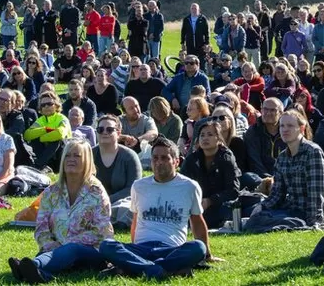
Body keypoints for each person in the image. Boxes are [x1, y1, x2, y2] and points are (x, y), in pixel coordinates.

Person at [98, 137, 216, 279]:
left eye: (164, 158)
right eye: (155, 158)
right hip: (141, 248)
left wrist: (207, 253)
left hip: (171, 249)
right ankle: (163, 269)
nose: (159, 162)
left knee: (198, 248)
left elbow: (197, 220)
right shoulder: (139, 186)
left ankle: (132, 268)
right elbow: (136, 219)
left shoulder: (189, 187)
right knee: (106, 245)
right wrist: (135, 248)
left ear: (176, 161)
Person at [8, 139, 114, 283]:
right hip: (55, 250)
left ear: (87, 161)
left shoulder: (96, 192)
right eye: (68, 156)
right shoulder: (51, 192)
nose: (71, 159)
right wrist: (50, 245)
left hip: (92, 251)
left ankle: (33, 265)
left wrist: (66, 244)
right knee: (59, 252)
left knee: (72, 249)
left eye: (77, 156)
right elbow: (41, 227)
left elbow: (100, 232)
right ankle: (38, 273)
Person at [250, 109, 324, 227]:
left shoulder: (313, 152)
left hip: (306, 213)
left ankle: (296, 224)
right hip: (289, 209)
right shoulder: (282, 157)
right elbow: (277, 194)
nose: (285, 129)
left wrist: (314, 223)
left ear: (302, 129)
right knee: (252, 211)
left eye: (290, 126)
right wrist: (262, 206)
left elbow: (316, 195)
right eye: (282, 126)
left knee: (256, 221)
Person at [180, 120, 241, 228]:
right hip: (196, 203)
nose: (205, 138)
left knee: (220, 214)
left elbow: (233, 190)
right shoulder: (192, 159)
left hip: (220, 204)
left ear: (218, 138)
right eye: (202, 135)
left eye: (210, 134)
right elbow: (181, 184)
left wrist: (210, 201)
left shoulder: (226, 158)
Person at [92, 115, 141, 203]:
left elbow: (133, 188)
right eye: (100, 129)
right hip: (91, 205)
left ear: (118, 133)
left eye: (110, 130)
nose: (105, 132)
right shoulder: (88, 155)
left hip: (121, 206)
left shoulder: (130, 157)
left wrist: (106, 201)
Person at [25, 92, 72, 170]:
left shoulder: (62, 118)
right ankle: (42, 165)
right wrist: (45, 129)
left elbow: (60, 134)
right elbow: (27, 135)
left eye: (49, 104)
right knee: (34, 138)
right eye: (43, 105)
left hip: (63, 156)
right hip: (47, 156)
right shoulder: (41, 120)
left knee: (57, 140)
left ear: (56, 105)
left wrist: (41, 138)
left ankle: (37, 165)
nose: (46, 106)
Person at [244, 97, 287, 179]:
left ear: (281, 113)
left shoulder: (287, 131)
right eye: (265, 109)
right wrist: (269, 180)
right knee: (248, 177)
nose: (268, 113)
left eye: (272, 110)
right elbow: (254, 162)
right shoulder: (253, 132)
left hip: (285, 178)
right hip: (261, 179)